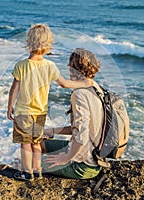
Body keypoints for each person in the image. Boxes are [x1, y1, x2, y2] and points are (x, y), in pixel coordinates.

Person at [7, 24, 93, 181]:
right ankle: (38, 170)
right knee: (36, 143)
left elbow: (14, 89)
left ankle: (27, 173)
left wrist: (9, 107)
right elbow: (65, 84)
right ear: (48, 45)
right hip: (40, 112)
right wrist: (85, 84)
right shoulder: (50, 66)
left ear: (29, 42)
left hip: (23, 112)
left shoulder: (21, 65)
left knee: (25, 144)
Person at [42, 48, 104, 179]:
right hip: (93, 155)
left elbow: (82, 136)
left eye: (70, 65)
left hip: (83, 165)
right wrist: (52, 131)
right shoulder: (97, 89)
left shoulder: (80, 94)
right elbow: (85, 128)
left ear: (73, 68)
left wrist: (65, 158)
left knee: (26, 162)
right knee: (38, 143)